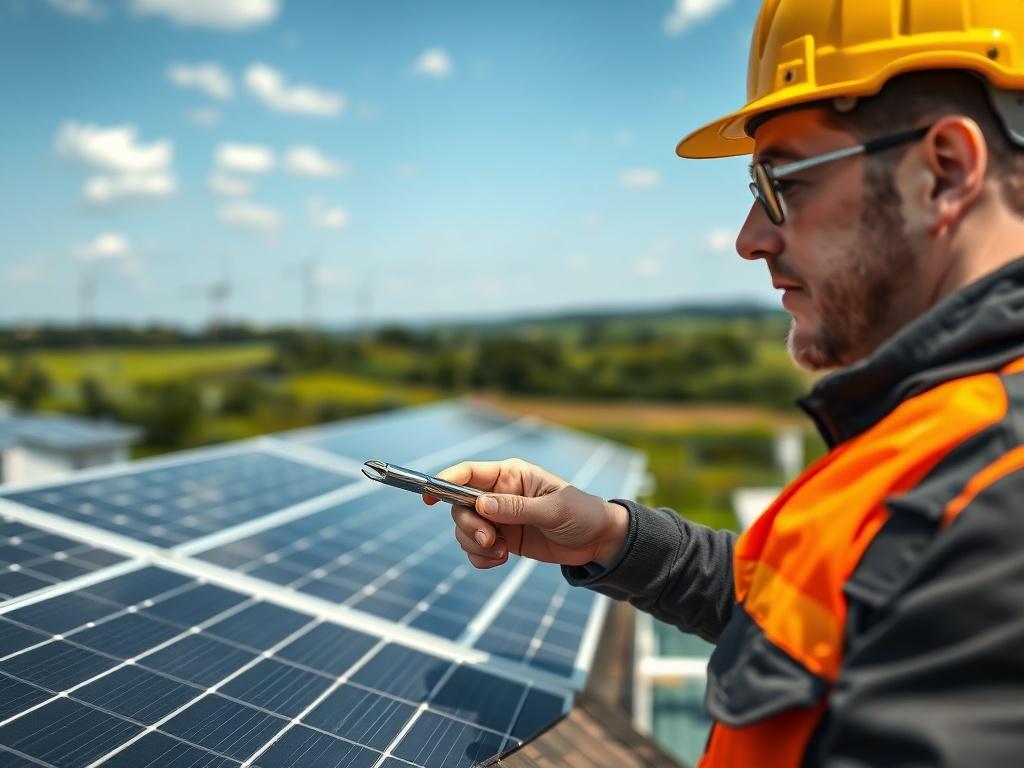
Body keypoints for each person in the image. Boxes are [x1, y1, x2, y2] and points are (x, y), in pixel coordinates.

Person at [425, 2, 1024, 765]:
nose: (750, 239)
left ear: (941, 171)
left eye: (783, 183)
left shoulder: (998, 506)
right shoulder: (948, 440)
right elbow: (808, 612)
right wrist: (610, 535)